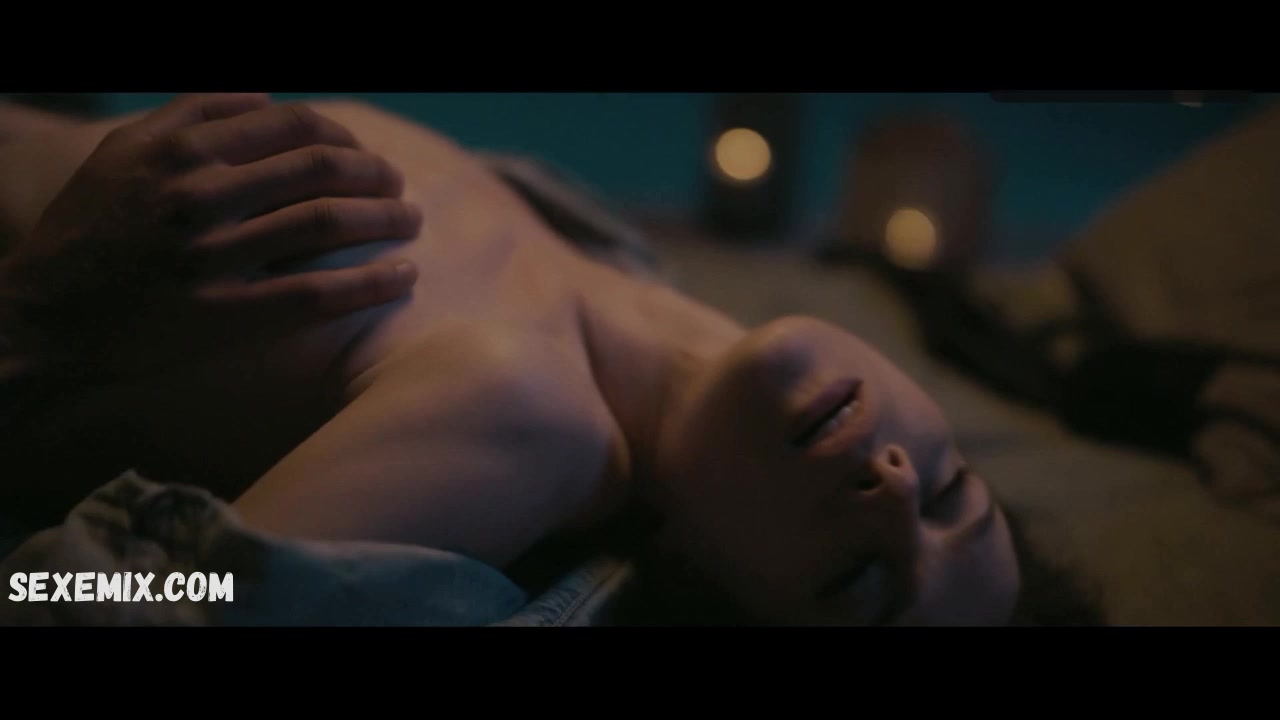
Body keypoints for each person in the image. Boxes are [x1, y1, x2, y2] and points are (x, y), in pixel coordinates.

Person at [0, 94, 1022, 626]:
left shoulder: (525, 417)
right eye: (950, 495)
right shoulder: (605, 253)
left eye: (858, 583)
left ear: (712, 588)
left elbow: (80, 605)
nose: (893, 493)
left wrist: (28, 321)